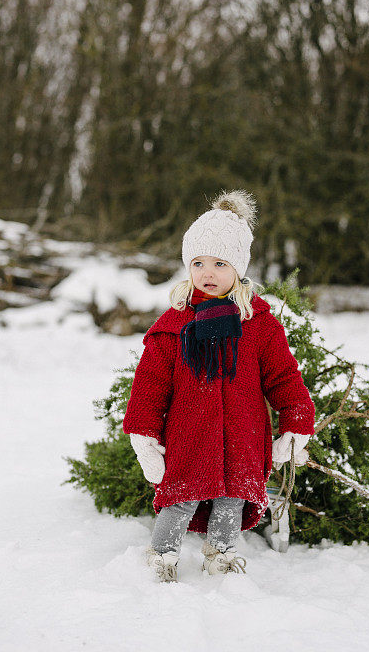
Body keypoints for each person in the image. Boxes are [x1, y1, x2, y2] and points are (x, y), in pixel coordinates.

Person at [122, 189, 315, 582]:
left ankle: (221, 554)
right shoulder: (174, 324)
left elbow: (283, 377)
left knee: (232, 499)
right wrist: (143, 435)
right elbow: (149, 386)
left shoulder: (259, 323)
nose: (207, 272)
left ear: (239, 267)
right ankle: (162, 555)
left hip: (243, 435)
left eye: (219, 263)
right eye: (198, 263)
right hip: (189, 435)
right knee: (180, 499)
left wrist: (296, 423)